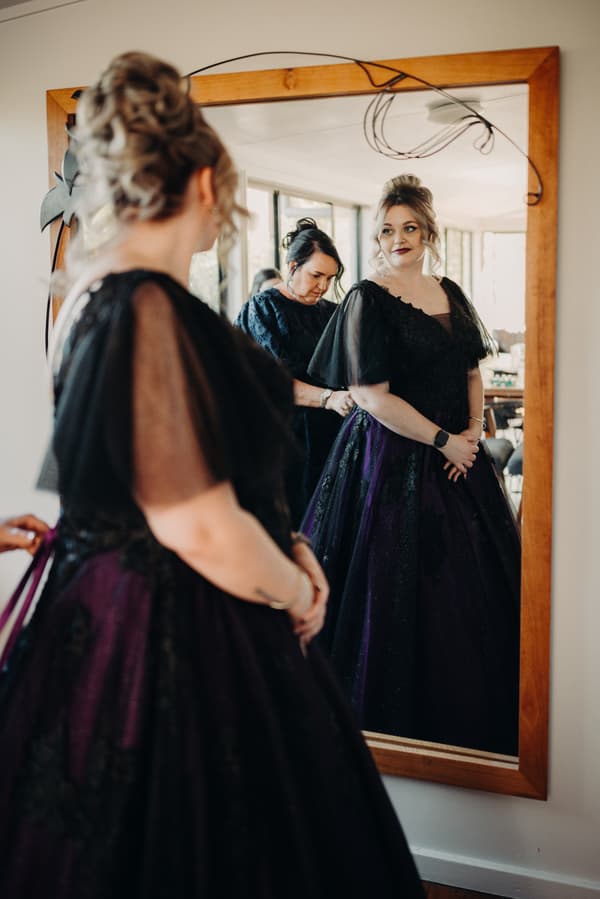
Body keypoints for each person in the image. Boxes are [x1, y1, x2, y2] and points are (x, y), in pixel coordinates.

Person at [0, 54, 424, 898]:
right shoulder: (145, 306)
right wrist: (299, 591)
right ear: (201, 185)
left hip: (121, 606)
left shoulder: (89, 300)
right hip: (175, 625)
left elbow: (186, 467)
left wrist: (293, 537)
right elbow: (189, 520)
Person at [304, 174, 521, 756]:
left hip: (460, 456)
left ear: (427, 232)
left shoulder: (449, 289)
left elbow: (472, 371)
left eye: (408, 228)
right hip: (393, 461)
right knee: (392, 588)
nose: (397, 238)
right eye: (386, 229)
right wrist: (445, 440)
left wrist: (473, 434)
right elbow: (372, 396)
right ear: (376, 236)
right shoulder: (366, 298)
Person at [236, 219, 353, 525]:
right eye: (316, 275)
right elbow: (273, 381)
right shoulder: (261, 309)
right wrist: (328, 398)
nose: (323, 286)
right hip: (284, 439)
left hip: (330, 436)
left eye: (330, 278)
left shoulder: (330, 312)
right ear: (292, 266)